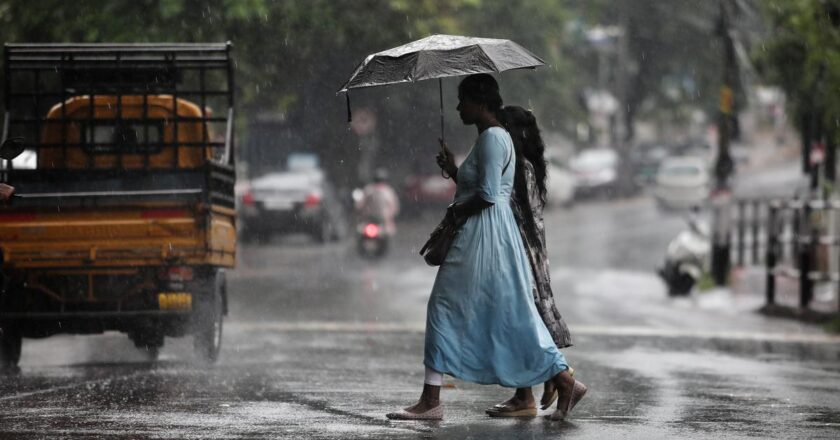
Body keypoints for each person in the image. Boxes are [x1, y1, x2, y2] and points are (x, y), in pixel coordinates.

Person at [386, 74, 578, 422]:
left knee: (443, 307)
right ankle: (562, 379)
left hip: (481, 235)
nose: (459, 107)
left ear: (480, 102)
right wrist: (454, 171)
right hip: (494, 233)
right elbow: (487, 187)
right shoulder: (497, 137)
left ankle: (431, 401)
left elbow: (488, 196)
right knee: (509, 312)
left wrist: (456, 211)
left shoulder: (491, 138)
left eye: (463, 101)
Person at [484, 105, 587, 417]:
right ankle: (527, 392)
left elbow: (503, 207)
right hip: (528, 251)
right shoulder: (528, 165)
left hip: (520, 254)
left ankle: (561, 379)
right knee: (523, 321)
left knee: (522, 321)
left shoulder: (519, 168)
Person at [357, 168, 400, 236]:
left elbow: (360, 205)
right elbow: (394, 207)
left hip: (375, 221)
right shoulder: (388, 191)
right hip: (376, 221)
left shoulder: (368, 189)